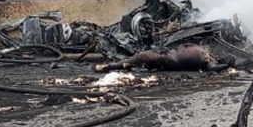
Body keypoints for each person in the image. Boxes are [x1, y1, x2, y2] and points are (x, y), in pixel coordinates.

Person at [93, 44, 232, 73]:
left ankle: (109, 66)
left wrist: (227, 66)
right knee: (139, 56)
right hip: (167, 52)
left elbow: (213, 69)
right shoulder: (208, 51)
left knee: (141, 57)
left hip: (168, 59)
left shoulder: (209, 63)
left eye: (226, 59)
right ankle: (119, 65)